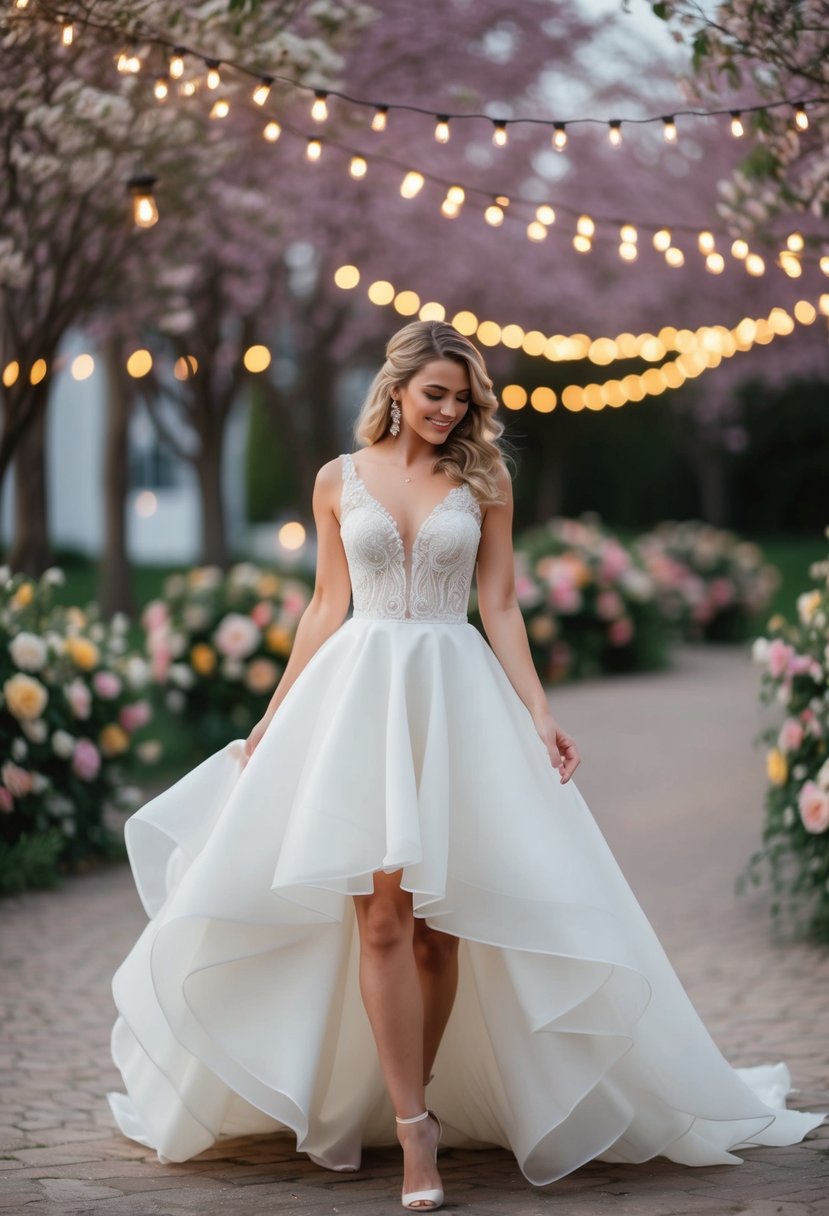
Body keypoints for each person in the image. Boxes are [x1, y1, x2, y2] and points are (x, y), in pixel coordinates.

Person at [108, 320, 825, 1212]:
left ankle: (424, 1090)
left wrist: (538, 713)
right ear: (398, 389)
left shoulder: (485, 479)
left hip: (456, 702)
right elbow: (326, 604)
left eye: (461, 397)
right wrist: (272, 716)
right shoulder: (338, 478)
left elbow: (502, 605)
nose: (449, 411)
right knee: (377, 920)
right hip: (355, 705)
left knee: (439, 928)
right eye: (434, 393)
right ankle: (414, 1131)